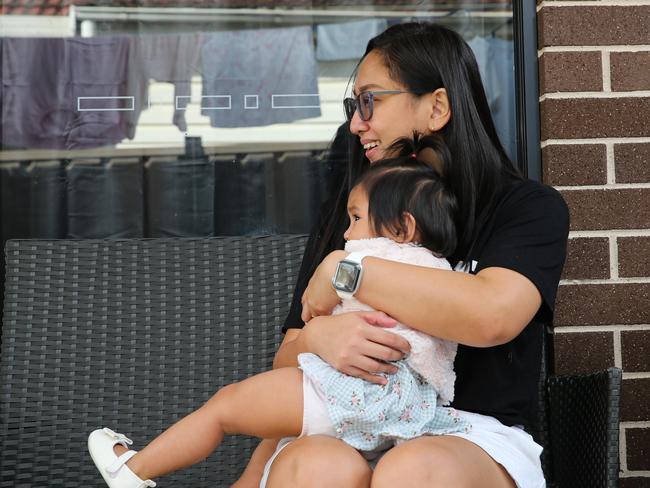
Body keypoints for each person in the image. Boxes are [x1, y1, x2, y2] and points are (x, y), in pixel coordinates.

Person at [234, 22, 569, 488]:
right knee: (316, 466)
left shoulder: (523, 208)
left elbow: (493, 315)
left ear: (436, 107)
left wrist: (346, 270)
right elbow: (286, 361)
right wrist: (318, 341)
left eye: (370, 101)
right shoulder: (351, 213)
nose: (356, 123)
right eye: (353, 106)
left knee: (411, 469)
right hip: (349, 425)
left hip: (472, 438)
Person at [87, 137, 472, 488]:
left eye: (356, 218)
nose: (348, 233)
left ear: (403, 228)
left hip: (354, 393)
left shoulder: (365, 261)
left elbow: (316, 310)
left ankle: (133, 471)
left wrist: (336, 270)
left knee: (225, 407)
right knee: (265, 437)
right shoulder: (438, 275)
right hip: (404, 412)